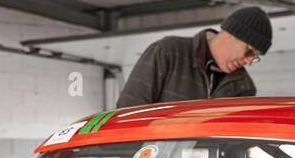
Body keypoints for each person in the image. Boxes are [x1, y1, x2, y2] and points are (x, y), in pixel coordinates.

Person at [116, 6, 271, 108]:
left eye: (255, 57)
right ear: (232, 35)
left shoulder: (244, 87)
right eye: (250, 52)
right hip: (148, 157)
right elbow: (127, 112)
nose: (250, 61)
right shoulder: (168, 53)